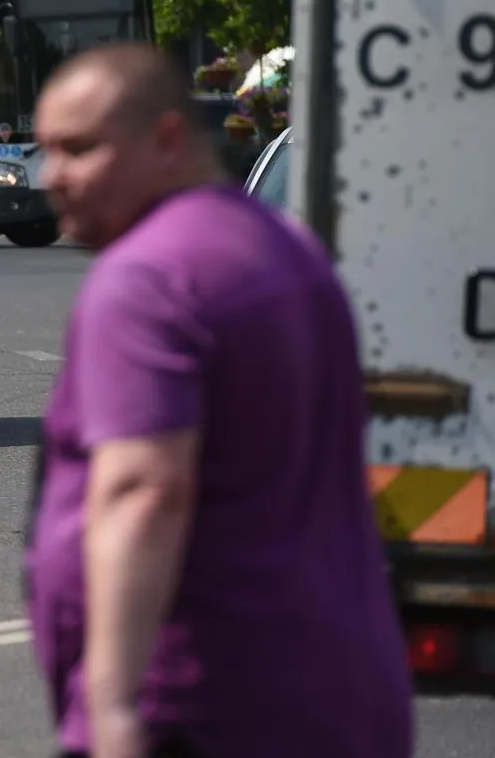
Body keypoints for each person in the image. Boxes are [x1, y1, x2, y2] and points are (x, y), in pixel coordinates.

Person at [25, 43, 411, 758]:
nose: (54, 177)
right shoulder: (288, 254)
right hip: (335, 697)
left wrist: (112, 705)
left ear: (166, 137)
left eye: (79, 150)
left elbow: (145, 490)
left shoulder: (149, 278)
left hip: (205, 707)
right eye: (45, 150)